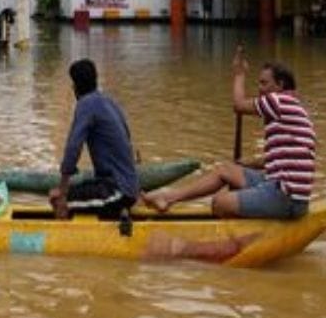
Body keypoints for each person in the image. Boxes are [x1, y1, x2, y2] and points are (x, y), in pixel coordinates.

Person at [145, 47, 316, 219]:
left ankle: (241, 227)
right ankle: (169, 197)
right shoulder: (292, 107)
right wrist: (246, 164)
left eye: (264, 83)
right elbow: (275, 159)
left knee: (219, 203)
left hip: (286, 197)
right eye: (259, 83)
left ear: (280, 85)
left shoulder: (278, 101)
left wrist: (239, 74)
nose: (260, 89)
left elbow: (239, 105)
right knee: (225, 170)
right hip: (278, 187)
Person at [47, 59, 140, 220]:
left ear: (75, 87)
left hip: (117, 191)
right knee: (73, 192)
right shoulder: (109, 101)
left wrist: (62, 193)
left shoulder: (85, 104)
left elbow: (73, 149)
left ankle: (65, 240)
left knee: (56, 199)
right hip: (125, 188)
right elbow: (127, 138)